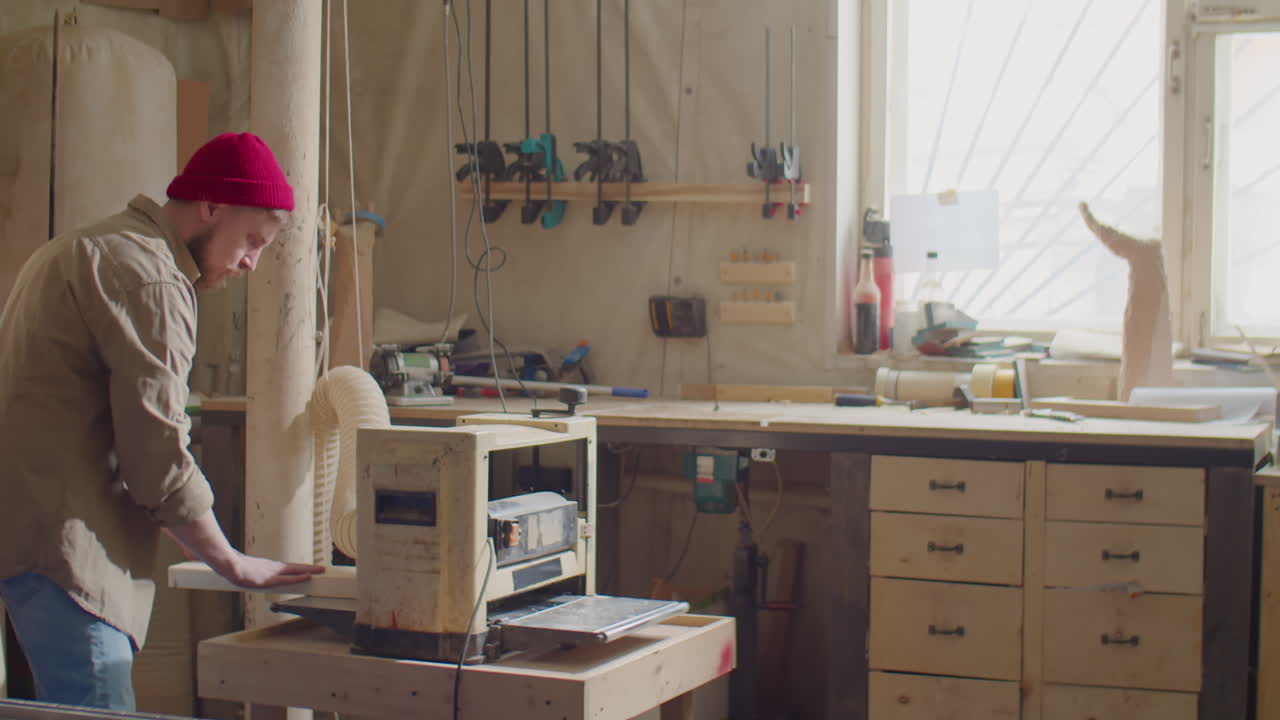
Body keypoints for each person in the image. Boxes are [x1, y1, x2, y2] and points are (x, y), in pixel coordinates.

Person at [0, 132, 326, 711]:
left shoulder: (84, 245)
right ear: (211, 206)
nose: (251, 262)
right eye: (251, 240)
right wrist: (230, 560)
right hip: (66, 555)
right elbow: (157, 456)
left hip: (24, 539)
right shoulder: (151, 277)